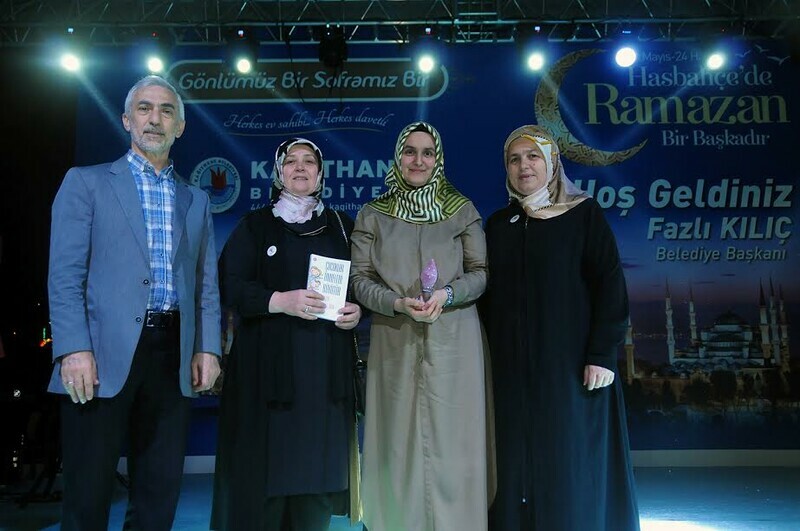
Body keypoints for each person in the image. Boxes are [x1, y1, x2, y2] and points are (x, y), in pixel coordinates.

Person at [47, 75, 222, 531]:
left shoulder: (196, 199)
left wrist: (207, 348)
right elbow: (64, 277)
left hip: (172, 357)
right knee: (87, 495)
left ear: (180, 126)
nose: (154, 119)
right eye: (144, 108)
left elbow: (205, 285)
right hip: (99, 357)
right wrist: (73, 349)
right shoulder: (85, 183)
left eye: (166, 111)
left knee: (158, 496)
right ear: (126, 120)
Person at [484, 124, 639, 530]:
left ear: (552, 163)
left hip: (572, 371)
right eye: (514, 159)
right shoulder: (499, 225)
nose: (524, 166)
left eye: (533, 156)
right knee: (515, 466)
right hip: (512, 376)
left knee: (569, 465)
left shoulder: (582, 214)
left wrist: (602, 354)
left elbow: (609, 284)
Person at [210, 138, 363, 530]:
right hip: (267, 378)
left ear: (320, 173)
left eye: (308, 161)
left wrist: (355, 311)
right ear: (279, 173)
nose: (300, 167)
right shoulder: (255, 226)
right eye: (291, 161)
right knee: (265, 487)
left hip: (324, 381)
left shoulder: (342, 227)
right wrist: (279, 300)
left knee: (316, 487)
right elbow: (228, 284)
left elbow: (361, 287)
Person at [350, 121, 495, 531]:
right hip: (394, 338)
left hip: (454, 339)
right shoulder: (373, 215)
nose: (418, 160)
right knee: (395, 439)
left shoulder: (461, 210)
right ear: (398, 157)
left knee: (454, 439)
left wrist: (447, 294)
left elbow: (480, 273)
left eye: (427, 152)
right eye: (410, 152)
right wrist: (396, 304)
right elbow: (359, 279)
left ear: (438, 159)